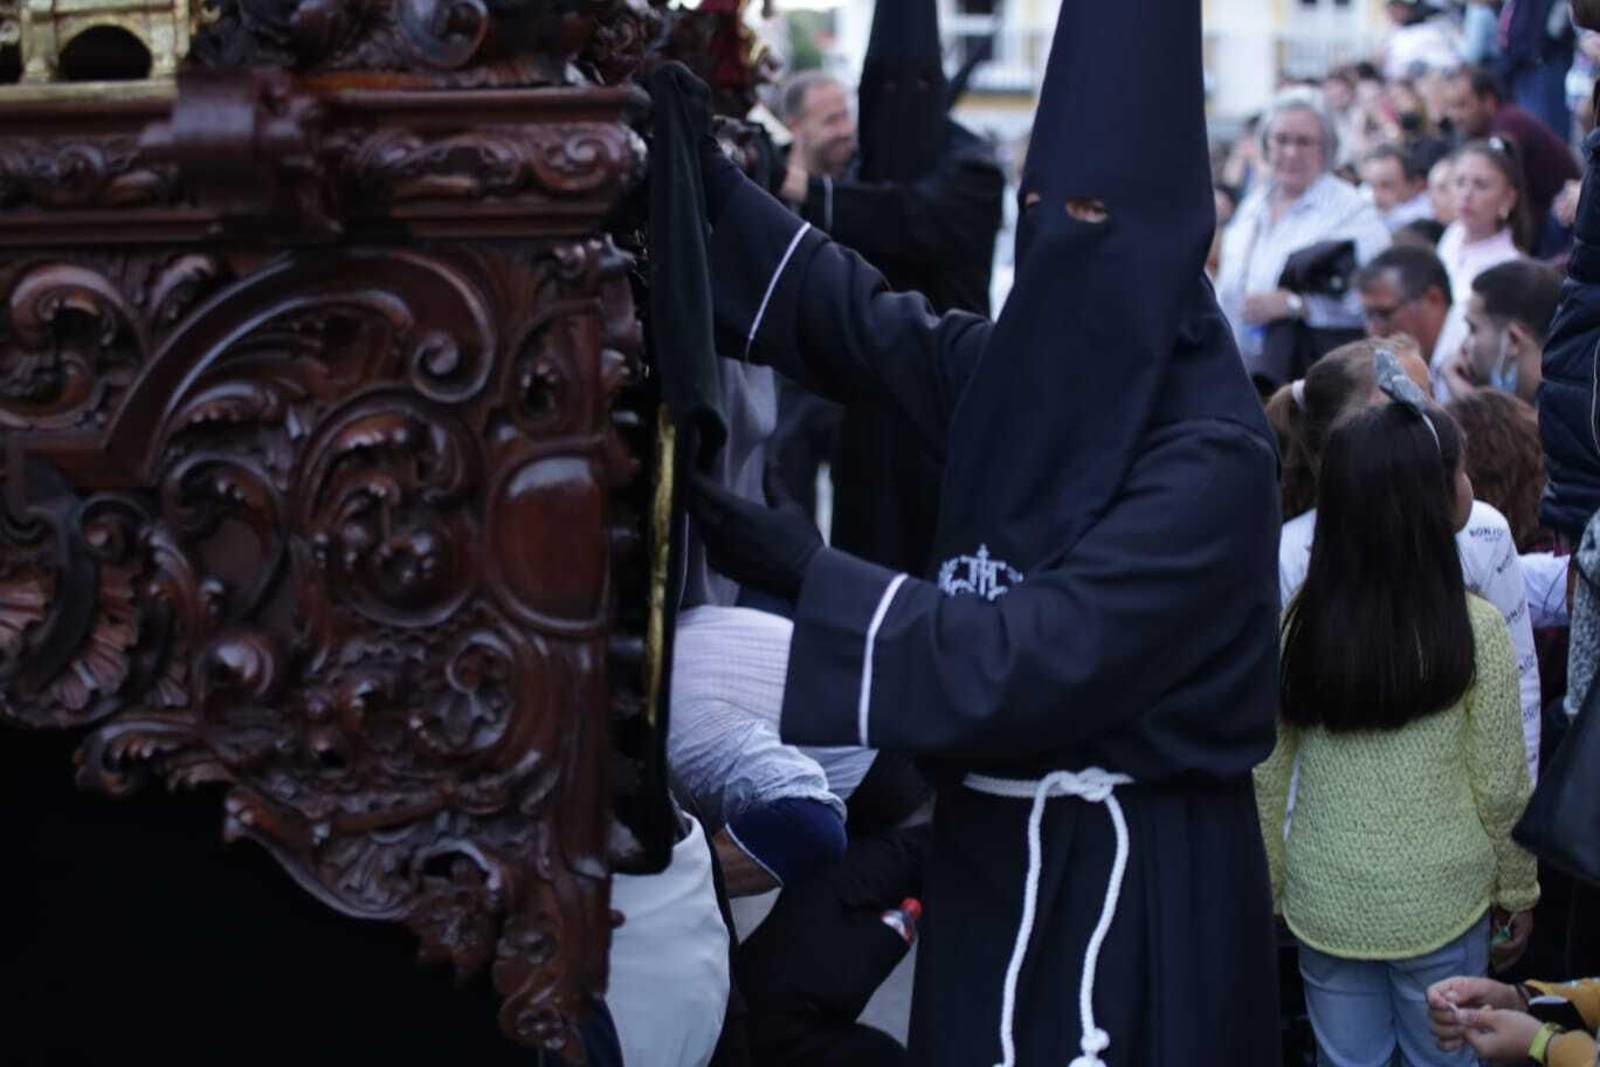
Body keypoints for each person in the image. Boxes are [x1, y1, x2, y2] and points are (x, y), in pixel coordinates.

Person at [687, 0, 1283, 1061]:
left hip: (1127, 878)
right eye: (1043, 208)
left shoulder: (1211, 454)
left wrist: (809, 573)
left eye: (1091, 212)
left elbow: (1040, 648)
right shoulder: (1034, 362)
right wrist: (701, 185)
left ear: (1169, 234)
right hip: (990, 854)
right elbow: (863, 324)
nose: (1062, 237)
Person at [1257, 355, 1538, 1067]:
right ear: (1431, 497)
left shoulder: (1299, 622)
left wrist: (1270, 879)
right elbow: (1500, 780)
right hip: (1445, 899)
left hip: (1325, 899)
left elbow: (1266, 766)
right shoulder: (1473, 629)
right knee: (1447, 1057)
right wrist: (1518, 885)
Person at [1269, 341, 1543, 783]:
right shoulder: (1290, 555)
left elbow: (1518, 687)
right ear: (1342, 442)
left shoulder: (1483, 534)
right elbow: (1282, 729)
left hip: (1458, 825)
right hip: (1333, 826)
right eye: (1403, 404)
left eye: (1430, 395)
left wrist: (1515, 819)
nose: (1434, 417)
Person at [1217, 87, 1391, 388]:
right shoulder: (1253, 204)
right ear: (1265, 143)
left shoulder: (1351, 211)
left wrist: (1298, 305)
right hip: (1240, 371)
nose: (1290, 152)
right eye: (1281, 139)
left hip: (1309, 376)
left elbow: (1376, 299)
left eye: (1304, 142)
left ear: (1326, 147)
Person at [1432, 138, 1534, 396]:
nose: (1467, 194)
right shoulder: (1452, 235)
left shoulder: (1510, 265)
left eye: (1481, 185)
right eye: (1460, 182)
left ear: (1509, 198)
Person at [1441, 66, 1581, 231]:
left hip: (1561, 212)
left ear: (1488, 101)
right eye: (1451, 106)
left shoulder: (1509, 124)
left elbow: (1500, 190)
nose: (1455, 116)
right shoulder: (1476, 130)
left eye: (1462, 105)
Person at [1442, 257, 1562, 402]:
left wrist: (1471, 408)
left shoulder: (1567, 415)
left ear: (1514, 340)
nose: (1463, 347)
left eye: (1473, 329)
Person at [1359, 244, 1454, 364]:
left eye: (1382, 314)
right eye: (1368, 316)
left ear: (1433, 299)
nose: (1373, 332)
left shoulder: (1473, 363)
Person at [1362, 143, 1438, 231]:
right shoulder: (1361, 205)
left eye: (1387, 185)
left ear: (1412, 185)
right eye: (1371, 185)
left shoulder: (1431, 215)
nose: (1375, 195)